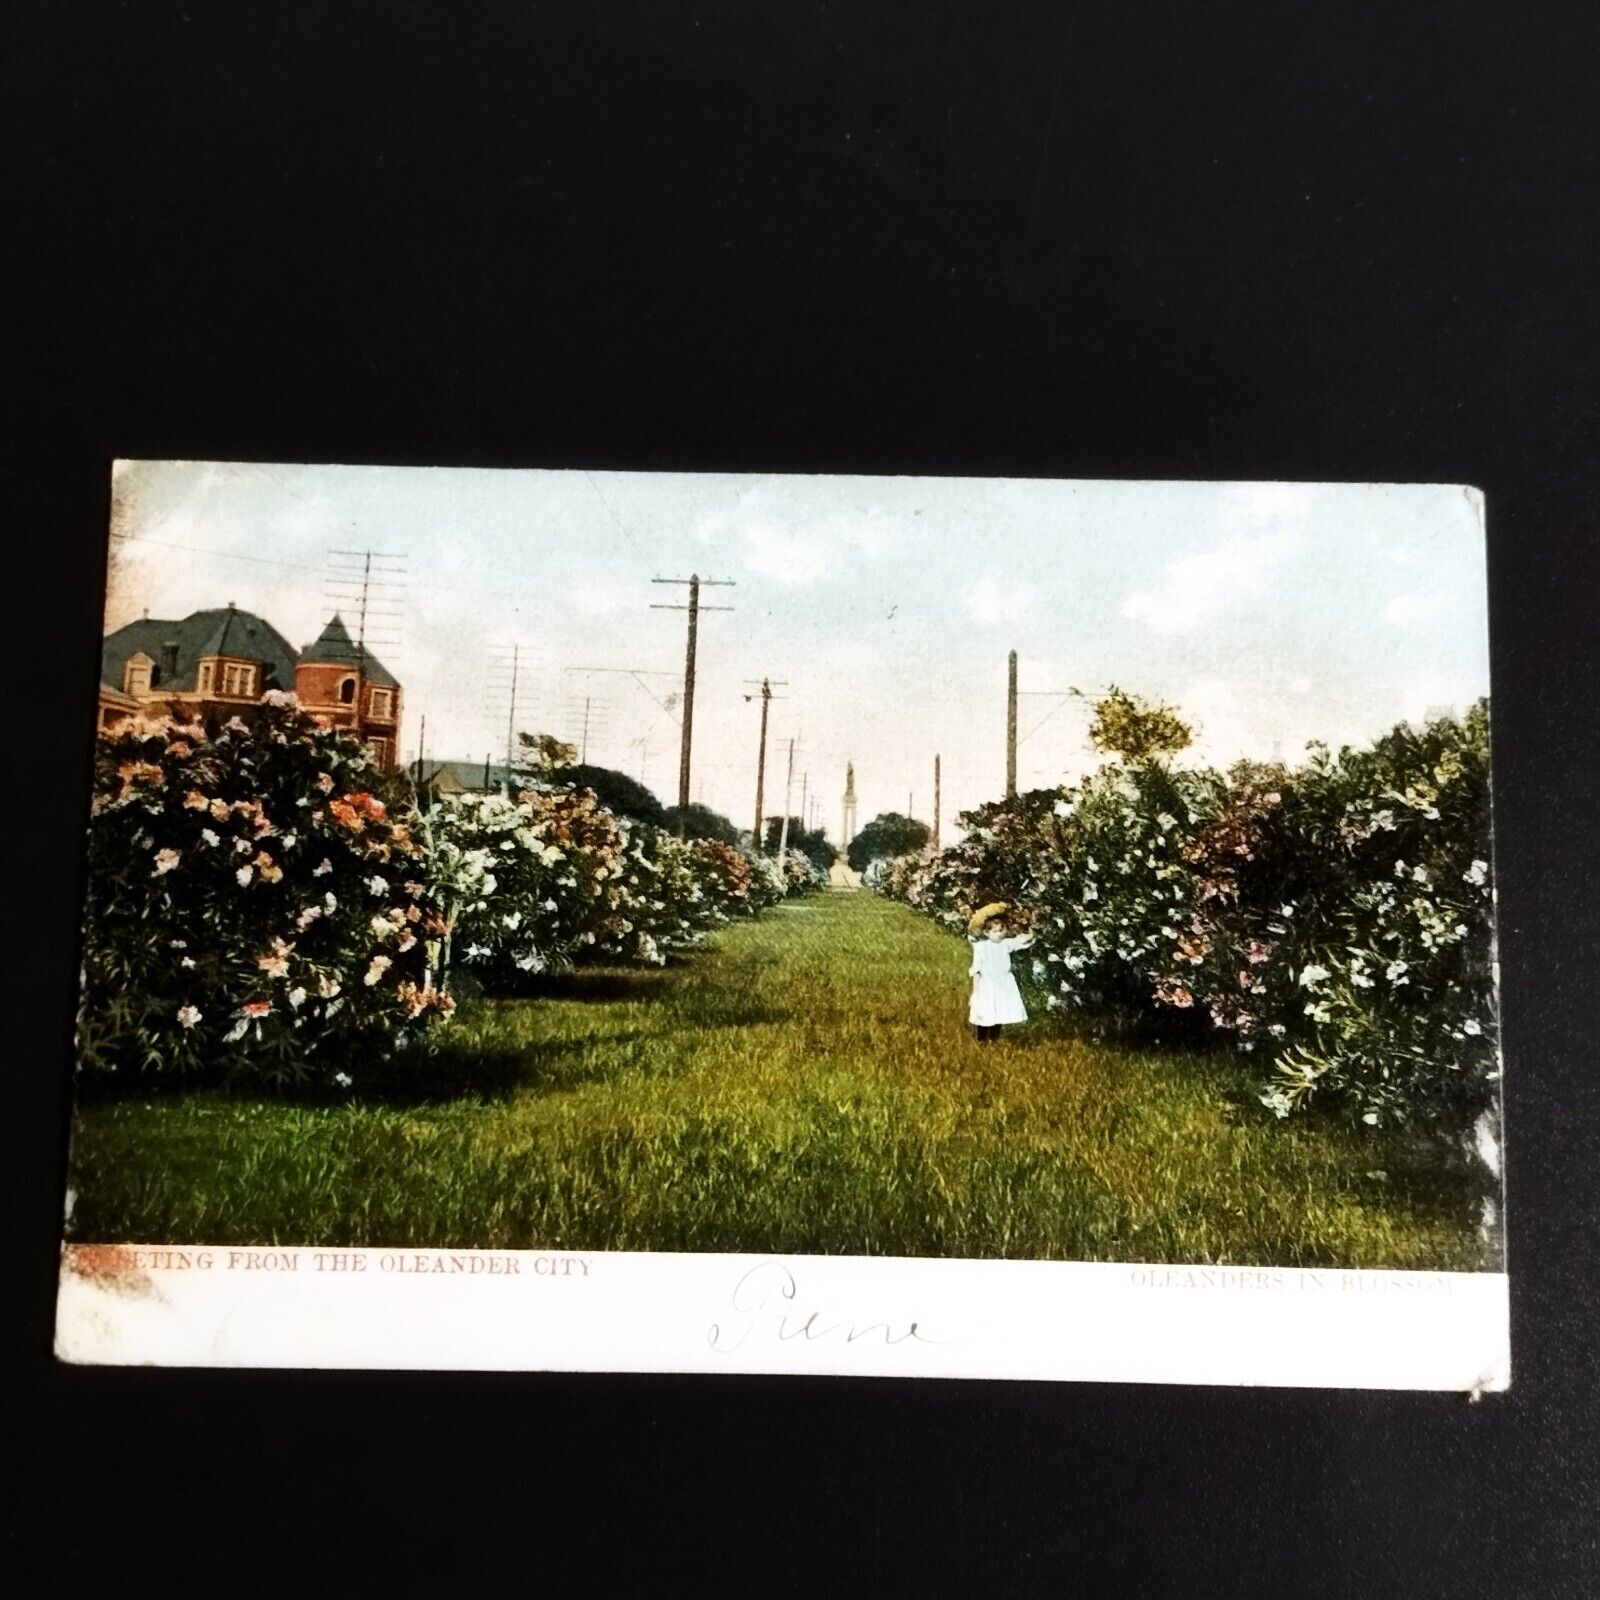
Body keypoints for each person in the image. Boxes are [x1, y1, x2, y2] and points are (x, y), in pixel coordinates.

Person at [967, 901, 1035, 1043]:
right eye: (995, 931)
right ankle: (982, 1040)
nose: (999, 934)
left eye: (1001, 930)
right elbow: (977, 970)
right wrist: (976, 991)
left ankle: (994, 1039)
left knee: (1000, 1012)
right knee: (986, 1012)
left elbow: (1020, 941)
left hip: (1004, 984)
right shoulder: (981, 947)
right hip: (988, 984)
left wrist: (1031, 932)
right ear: (987, 932)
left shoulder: (1006, 944)